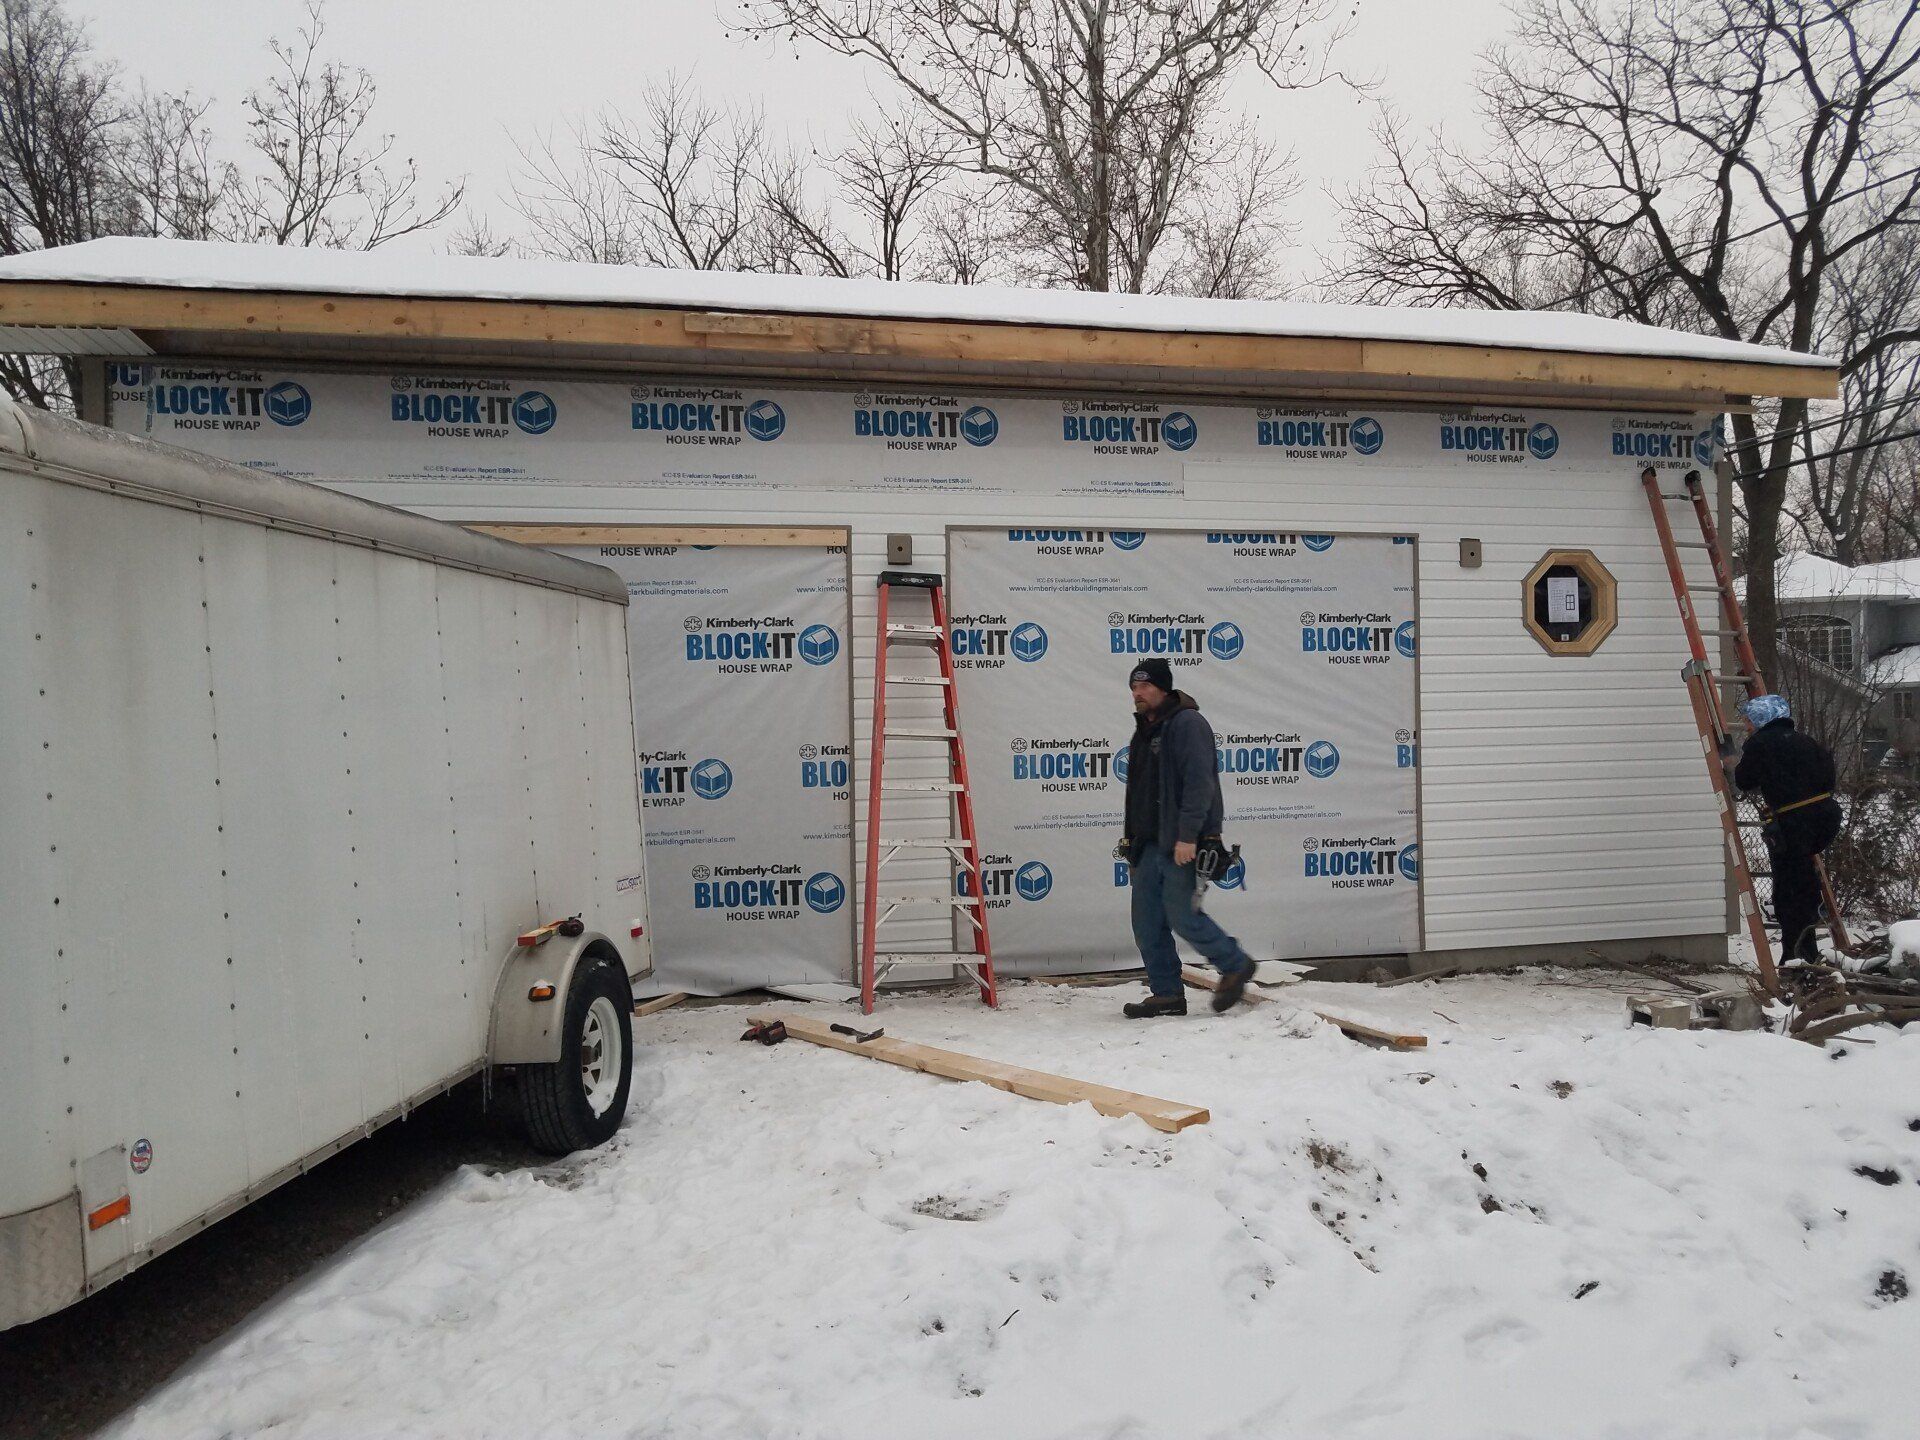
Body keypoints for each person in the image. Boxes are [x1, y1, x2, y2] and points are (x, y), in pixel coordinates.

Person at [1116, 657, 1258, 1017]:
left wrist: (1189, 836)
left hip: (1180, 843)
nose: (1138, 693)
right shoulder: (1145, 729)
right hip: (1148, 845)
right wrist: (1131, 841)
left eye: (1145, 686)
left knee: (1183, 915)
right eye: (1134, 687)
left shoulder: (1188, 724)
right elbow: (1139, 794)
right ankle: (1166, 994)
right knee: (1146, 922)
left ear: (1164, 688)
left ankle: (1235, 962)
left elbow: (1200, 785)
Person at [1731, 693, 1842, 967]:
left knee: (1788, 891)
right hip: (1825, 816)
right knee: (1802, 880)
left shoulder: (1760, 743)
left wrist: (1732, 765)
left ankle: (1794, 956)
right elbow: (1829, 777)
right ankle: (1807, 948)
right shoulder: (1807, 741)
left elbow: (1744, 780)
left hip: (1794, 822)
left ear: (1761, 719)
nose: (1747, 727)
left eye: (1748, 721)